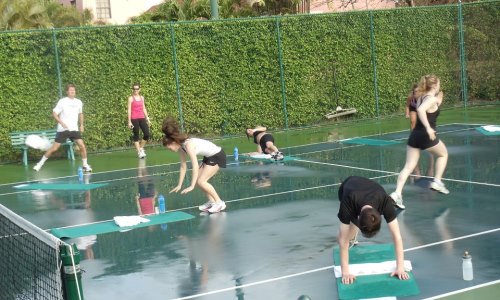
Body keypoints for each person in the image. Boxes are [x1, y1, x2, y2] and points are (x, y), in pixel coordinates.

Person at [337, 176, 409, 284]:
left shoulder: (385, 201)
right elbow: (342, 241)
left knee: (347, 237)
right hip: (346, 187)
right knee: (344, 237)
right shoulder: (347, 203)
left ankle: (353, 232)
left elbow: (397, 236)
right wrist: (345, 272)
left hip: (370, 191)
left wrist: (400, 267)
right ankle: (354, 229)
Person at [391, 74, 449, 209]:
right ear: (434, 85)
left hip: (414, 136)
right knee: (443, 154)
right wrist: (429, 128)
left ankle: (397, 193)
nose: (439, 86)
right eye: (438, 83)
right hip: (425, 135)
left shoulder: (421, 98)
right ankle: (437, 181)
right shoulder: (430, 99)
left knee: (408, 166)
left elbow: (429, 107)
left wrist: (439, 99)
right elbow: (422, 110)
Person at [162, 116, 226, 213]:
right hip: (209, 157)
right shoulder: (181, 148)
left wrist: (191, 186)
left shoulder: (188, 145)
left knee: (201, 181)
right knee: (198, 181)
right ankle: (212, 202)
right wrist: (179, 185)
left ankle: (219, 203)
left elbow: (195, 165)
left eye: (169, 148)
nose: (170, 150)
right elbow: (183, 167)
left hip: (217, 155)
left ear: (174, 142)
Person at [33, 84, 92, 172]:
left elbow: (81, 114)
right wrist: (61, 122)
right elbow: (54, 113)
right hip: (63, 129)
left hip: (74, 129)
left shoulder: (79, 102)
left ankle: (85, 165)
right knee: (54, 148)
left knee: (82, 146)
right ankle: (40, 164)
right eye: (71, 90)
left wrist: (82, 125)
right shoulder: (62, 101)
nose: (72, 91)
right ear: (67, 92)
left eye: (74, 90)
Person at [127, 83, 151, 159]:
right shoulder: (130, 98)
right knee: (136, 135)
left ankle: (141, 148)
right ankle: (139, 152)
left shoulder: (142, 98)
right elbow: (129, 110)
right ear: (132, 89)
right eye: (134, 89)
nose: (135, 90)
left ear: (139, 89)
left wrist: (147, 118)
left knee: (147, 134)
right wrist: (129, 121)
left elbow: (144, 108)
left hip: (142, 117)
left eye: (137, 89)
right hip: (134, 118)